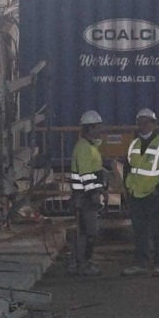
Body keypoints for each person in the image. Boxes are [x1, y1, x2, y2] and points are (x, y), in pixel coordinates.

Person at [120, 108, 159, 277]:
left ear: (153, 124)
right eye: (140, 122)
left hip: (152, 194)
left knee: (157, 229)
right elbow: (128, 169)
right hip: (136, 195)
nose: (142, 125)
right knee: (139, 230)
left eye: (146, 122)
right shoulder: (134, 144)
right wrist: (128, 190)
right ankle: (141, 262)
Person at [64, 110, 108, 276]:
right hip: (85, 198)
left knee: (85, 231)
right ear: (91, 128)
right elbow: (86, 175)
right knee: (87, 232)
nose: (101, 129)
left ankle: (78, 262)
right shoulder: (84, 148)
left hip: (85, 197)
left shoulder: (89, 147)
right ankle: (82, 263)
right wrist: (95, 194)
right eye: (98, 126)